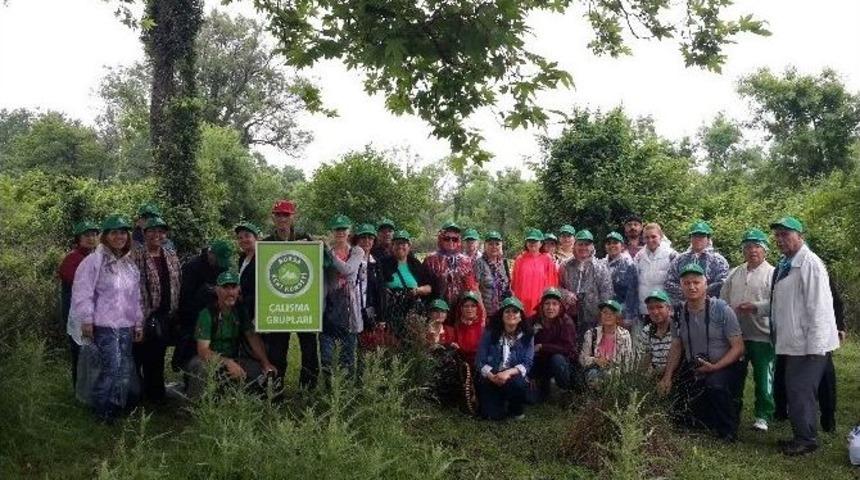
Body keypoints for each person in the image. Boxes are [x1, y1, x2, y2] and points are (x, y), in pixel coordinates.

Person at [767, 216, 839, 456]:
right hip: (794, 341)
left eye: (786, 234)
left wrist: (816, 347)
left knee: (799, 390)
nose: (780, 239)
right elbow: (785, 303)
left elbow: (819, 307)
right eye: (777, 235)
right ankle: (802, 435)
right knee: (795, 389)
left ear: (800, 236)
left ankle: (807, 440)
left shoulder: (809, 263)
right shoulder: (787, 263)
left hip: (808, 345)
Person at [658, 263, 745, 442]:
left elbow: (738, 347)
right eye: (687, 283)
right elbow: (676, 345)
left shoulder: (722, 309)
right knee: (679, 391)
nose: (692, 286)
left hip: (725, 366)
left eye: (696, 282)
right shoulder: (679, 313)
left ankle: (728, 429)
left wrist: (715, 367)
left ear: (706, 284)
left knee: (715, 385)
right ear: (681, 286)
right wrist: (667, 377)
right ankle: (701, 418)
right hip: (696, 366)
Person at [69, 213, 142, 423]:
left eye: (123, 233)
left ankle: (116, 407)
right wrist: (86, 319)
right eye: (114, 233)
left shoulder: (128, 265)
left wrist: (138, 322)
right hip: (104, 325)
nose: (119, 237)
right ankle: (101, 411)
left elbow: (135, 297)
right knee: (111, 368)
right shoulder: (94, 261)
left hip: (126, 325)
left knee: (125, 368)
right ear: (106, 236)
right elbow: (83, 292)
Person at [185, 271, 277, 400]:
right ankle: (195, 405)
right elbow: (203, 351)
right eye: (225, 288)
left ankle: (237, 401)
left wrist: (265, 363)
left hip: (233, 357)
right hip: (206, 358)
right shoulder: (207, 314)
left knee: (256, 370)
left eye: (233, 287)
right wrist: (227, 363)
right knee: (202, 368)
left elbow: (252, 337)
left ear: (238, 289)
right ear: (217, 290)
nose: (230, 292)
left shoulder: (240, 311)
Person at [720, 228, 775, 432]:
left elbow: (778, 303)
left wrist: (755, 307)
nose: (752, 250)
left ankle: (763, 415)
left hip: (762, 334)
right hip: (738, 335)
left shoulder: (773, 273)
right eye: (748, 247)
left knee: (763, 377)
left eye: (757, 247)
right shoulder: (734, 272)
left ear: (765, 251)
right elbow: (723, 299)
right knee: (736, 376)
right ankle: (734, 410)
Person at [263, 199, 319, 390]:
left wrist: (316, 246)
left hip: (304, 305)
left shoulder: (306, 238)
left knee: (310, 350)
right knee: (277, 352)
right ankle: (275, 391)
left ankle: (308, 391)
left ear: (292, 217)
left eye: (286, 215)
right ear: (273, 218)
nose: (282, 219)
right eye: (278, 215)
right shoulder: (266, 243)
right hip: (278, 306)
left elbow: (321, 263)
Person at [131, 216, 180, 404]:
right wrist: (139, 319)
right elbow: (133, 289)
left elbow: (177, 282)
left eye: (161, 231)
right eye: (152, 231)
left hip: (165, 314)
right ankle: (136, 396)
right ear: (144, 234)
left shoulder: (170, 254)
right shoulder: (136, 256)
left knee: (157, 358)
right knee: (139, 356)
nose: (157, 235)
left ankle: (156, 397)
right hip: (143, 314)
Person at [174, 239, 234, 372]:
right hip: (192, 315)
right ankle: (187, 378)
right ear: (210, 254)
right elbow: (184, 297)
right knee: (190, 351)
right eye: (218, 259)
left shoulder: (222, 266)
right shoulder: (192, 267)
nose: (220, 264)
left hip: (214, 315)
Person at [475, 296, 534, 420]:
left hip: (512, 376)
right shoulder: (490, 333)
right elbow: (479, 360)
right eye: (507, 311)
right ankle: (498, 401)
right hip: (492, 375)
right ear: (501, 315)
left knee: (519, 384)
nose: (511, 314)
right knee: (492, 416)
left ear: (520, 316)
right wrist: (492, 377)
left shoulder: (527, 335)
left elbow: (527, 363)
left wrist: (508, 372)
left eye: (515, 311)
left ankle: (515, 409)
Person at [321, 214, 364, 378]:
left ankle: (347, 394)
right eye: (337, 229)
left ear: (349, 231)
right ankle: (329, 394)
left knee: (347, 358)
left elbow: (347, 270)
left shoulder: (357, 251)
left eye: (343, 229)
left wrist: (328, 255)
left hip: (349, 310)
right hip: (329, 309)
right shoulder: (326, 252)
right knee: (326, 358)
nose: (340, 232)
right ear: (332, 231)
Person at [58, 220, 100, 387]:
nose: (91, 238)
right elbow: (80, 285)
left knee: (91, 353)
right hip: (76, 315)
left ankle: (90, 388)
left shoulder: (94, 256)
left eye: (94, 234)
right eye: (86, 235)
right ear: (78, 238)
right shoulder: (72, 258)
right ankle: (79, 389)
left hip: (92, 314)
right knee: (79, 352)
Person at [558, 229, 614, 340]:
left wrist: (604, 317)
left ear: (592, 246)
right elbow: (558, 287)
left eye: (587, 244)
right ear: (575, 245)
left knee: (591, 347)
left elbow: (607, 293)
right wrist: (566, 294)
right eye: (580, 244)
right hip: (570, 316)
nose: (583, 248)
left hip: (593, 316)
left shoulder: (600, 267)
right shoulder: (566, 266)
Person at [379, 230, 433, 337]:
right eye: (397, 243)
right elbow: (378, 288)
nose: (400, 247)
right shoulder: (383, 263)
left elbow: (429, 287)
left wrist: (418, 290)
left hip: (412, 312)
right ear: (392, 246)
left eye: (403, 244)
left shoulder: (415, 264)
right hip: (391, 312)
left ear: (409, 246)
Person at [664, 220, 730, 305]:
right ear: (690, 238)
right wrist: (687, 292)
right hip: (684, 307)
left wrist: (700, 293)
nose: (698, 239)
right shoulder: (680, 259)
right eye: (695, 236)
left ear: (708, 239)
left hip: (710, 306)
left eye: (702, 236)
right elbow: (669, 282)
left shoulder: (718, 260)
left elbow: (723, 283)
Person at [422, 221, 479, 317]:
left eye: (455, 239)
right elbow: (424, 287)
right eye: (447, 238)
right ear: (441, 239)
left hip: (460, 313)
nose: (451, 242)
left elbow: (471, 287)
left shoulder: (466, 261)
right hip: (437, 312)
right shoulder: (431, 260)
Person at [530, 288, 576, 400]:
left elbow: (567, 348)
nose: (550, 307)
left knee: (557, 359)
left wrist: (542, 346)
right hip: (540, 362)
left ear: (560, 306)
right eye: (547, 303)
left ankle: (565, 390)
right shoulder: (533, 320)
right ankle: (541, 384)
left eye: (554, 304)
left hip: (561, 362)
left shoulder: (566, 322)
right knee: (532, 399)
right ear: (541, 305)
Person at [579, 300, 634, 388]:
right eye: (604, 312)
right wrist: (596, 360)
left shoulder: (625, 335)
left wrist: (611, 366)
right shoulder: (591, 333)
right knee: (594, 373)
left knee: (611, 374)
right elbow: (582, 359)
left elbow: (627, 362)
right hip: (595, 371)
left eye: (612, 313)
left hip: (616, 372)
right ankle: (594, 398)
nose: (608, 316)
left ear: (618, 317)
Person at [634, 222, 677, 324]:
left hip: (665, 310)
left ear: (661, 237)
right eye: (646, 237)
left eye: (653, 236)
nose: (650, 240)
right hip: (645, 309)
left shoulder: (672, 255)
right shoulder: (639, 256)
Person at [511, 228, 559, 316]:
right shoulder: (520, 259)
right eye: (530, 240)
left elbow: (552, 283)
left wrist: (549, 303)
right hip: (522, 304)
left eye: (535, 241)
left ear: (541, 243)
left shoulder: (547, 259)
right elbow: (514, 284)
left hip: (540, 304)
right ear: (526, 243)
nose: (532, 243)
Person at [602, 231, 640, 338]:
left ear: (622, 246)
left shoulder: (628, 264)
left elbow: (632, 292)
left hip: (622, 313)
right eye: (608, 243)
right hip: (605, 313)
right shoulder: (601, 263)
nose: (611, 245)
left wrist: (628, 317)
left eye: (615, 242)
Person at [473, 230, 512, 317]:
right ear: (485, 246)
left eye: (497, 244)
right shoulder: (479, 263)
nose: (494, 247)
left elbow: (508, 286)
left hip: (503, 312)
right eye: (490, 244)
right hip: (487, 313)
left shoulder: (504, 263)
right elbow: (475, 289)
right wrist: (482, 311)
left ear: (501, 246)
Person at [637, 290, 673, 376]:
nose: (655, 312)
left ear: (669, 308)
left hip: (677, 376)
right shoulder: (647, 330)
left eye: (659, 307)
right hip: (655, 375)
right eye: (651, 308)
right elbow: (645, 357)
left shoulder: (678, 328)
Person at [452, 291, 486, 365]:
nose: (469, 309)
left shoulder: (484, 326)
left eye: (473, 306)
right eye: (466, 306)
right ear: (461, 308)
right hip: (460, 364)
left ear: (477, 308)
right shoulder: (456, 327)